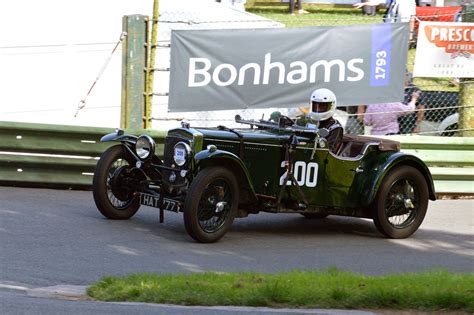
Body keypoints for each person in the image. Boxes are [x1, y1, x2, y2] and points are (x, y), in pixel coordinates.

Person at [297, 88, 344, 153]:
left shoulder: (335, 127)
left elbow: (329, 152)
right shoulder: (307, 121)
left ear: (331, 106)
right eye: (315, 106)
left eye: (321, 106)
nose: (317, 109)